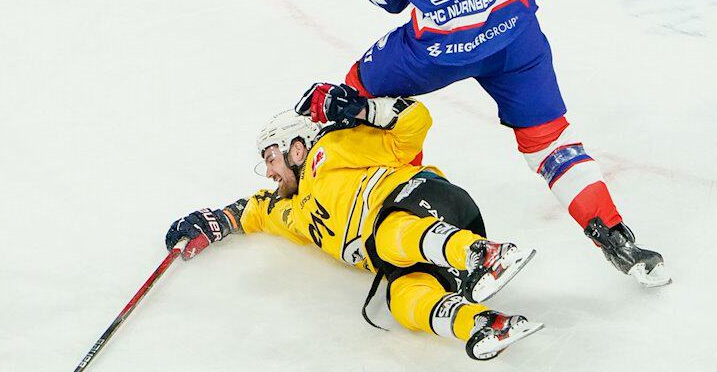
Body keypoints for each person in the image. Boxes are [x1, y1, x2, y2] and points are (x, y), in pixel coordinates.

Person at [348, 0, 669, 286]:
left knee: (355, 90)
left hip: (436, 49)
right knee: (549, 141)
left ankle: (397, 213)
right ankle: (618, 238)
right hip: (514, 34)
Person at [165, 86, 542, 361]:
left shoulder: (332, 149)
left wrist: (362, 110)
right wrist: (213, 222)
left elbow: (415, 122)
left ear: (297, 148)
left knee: (387, 238)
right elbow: (254, 211)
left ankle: (485, 254)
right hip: (419, 250)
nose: (268, 172)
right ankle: (483, 324)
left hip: (429, 203)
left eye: (271, 158)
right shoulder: (293, 213)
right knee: (404, 300)